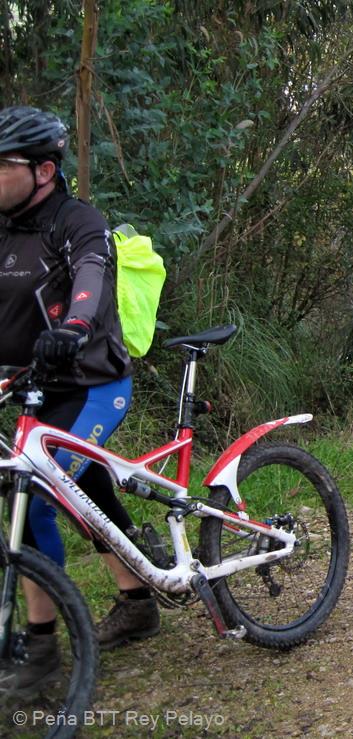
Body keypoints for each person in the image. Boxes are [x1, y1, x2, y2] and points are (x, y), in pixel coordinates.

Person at [0, 106, 159, 693]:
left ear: (43, 171)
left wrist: (74, 326)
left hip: (93, 387)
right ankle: (138, 601)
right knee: (85, 491)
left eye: (2, 164)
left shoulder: (77, 221)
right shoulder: (5, 229)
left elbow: (90, 274)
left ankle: (41, 646)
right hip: (33, 391)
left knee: (36, 497)